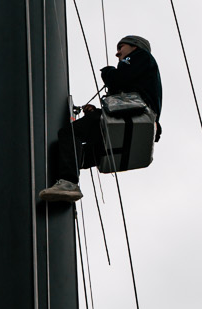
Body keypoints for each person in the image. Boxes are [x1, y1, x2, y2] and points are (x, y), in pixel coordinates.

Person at [40, 35, 163, 203]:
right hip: (132, 120)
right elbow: (125, 93)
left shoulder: (140, 57)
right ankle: (66, 178)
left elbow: (119, 80)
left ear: (135, 46)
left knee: (69, 133)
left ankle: (68, 184)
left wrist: (108, 72)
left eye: (121, 47)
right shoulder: (146, 72)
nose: (118, 53)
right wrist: (95, 113)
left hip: (129, 116)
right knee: (82, 155)